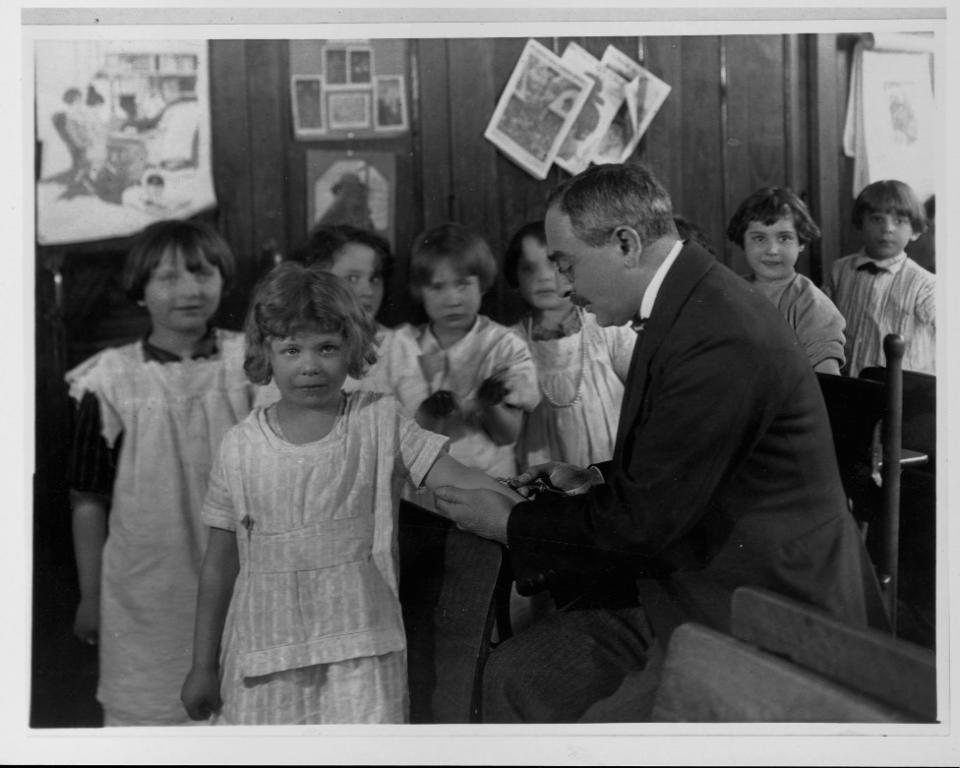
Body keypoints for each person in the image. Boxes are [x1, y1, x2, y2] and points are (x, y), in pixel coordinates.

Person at [432, 163, 889, 723]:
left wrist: (507, 523)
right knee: (517, 676)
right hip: (701, 578)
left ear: (626, 244)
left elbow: (642, 524)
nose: (566, 285)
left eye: (568, 263)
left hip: (763, 609)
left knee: (530, 686)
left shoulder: (715, 331)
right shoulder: (688, 298)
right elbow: (682, 458)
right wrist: (597, 475)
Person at [179, 263, 523, 725]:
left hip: (363, 656)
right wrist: (202, 665)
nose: (309, 365)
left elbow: (454, 476)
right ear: (266, 352)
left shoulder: (378, 420)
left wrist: (527, 512)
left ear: (352, 348)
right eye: (291, 349)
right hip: (261, 661)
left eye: (327, 347)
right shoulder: (240, 446)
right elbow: (219, 565)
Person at [65, 219, 272, 726]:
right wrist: (91, 597)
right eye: (168, 278)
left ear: (223, 279)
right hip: (148, 586)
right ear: (140, 290)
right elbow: (86, 498)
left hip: (244, 570)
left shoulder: (250, 363)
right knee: (152, 711)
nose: (189, 291)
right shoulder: (109, 378)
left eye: (202, 274)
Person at [385, 222, 541, 511]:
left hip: (490, 488)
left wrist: (489, 404)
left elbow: (507, 435)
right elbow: (397, 437)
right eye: (438, 287)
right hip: (424, 496)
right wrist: (430, 413)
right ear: (420, 291)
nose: (453, 299)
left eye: (463, 284)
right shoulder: (400, 347)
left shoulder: (504, 345)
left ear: (482, 284)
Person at [504, 219, 635, 470]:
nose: (543, 277)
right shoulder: (510, 342)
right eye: (529, 269)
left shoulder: (606, 326)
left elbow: (643, 385)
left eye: (555, 265)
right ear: (515, 276)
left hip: (609, 458)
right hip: (545, 463)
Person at [726, 186, 846, 374]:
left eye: (784, 238)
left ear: (802, 242)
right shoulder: (731, 291)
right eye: (759, 238)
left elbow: (828, 379)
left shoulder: (811, 303)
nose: (772, 250)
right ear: (743, 241)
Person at [823, 179, 934, 376]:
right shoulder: (839, 270)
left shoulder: (925, 284)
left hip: (904, 390)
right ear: (860, 224)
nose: (887, 228)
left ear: (915, 231)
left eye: (899, 221)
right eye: (876, 219)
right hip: (849, 380)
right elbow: (821, 322)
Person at [290, 223, 395, 393]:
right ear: (319, 282)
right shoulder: (295, 344)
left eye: (374, 279)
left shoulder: (396, 345)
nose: (368, 291)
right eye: (352, 278)